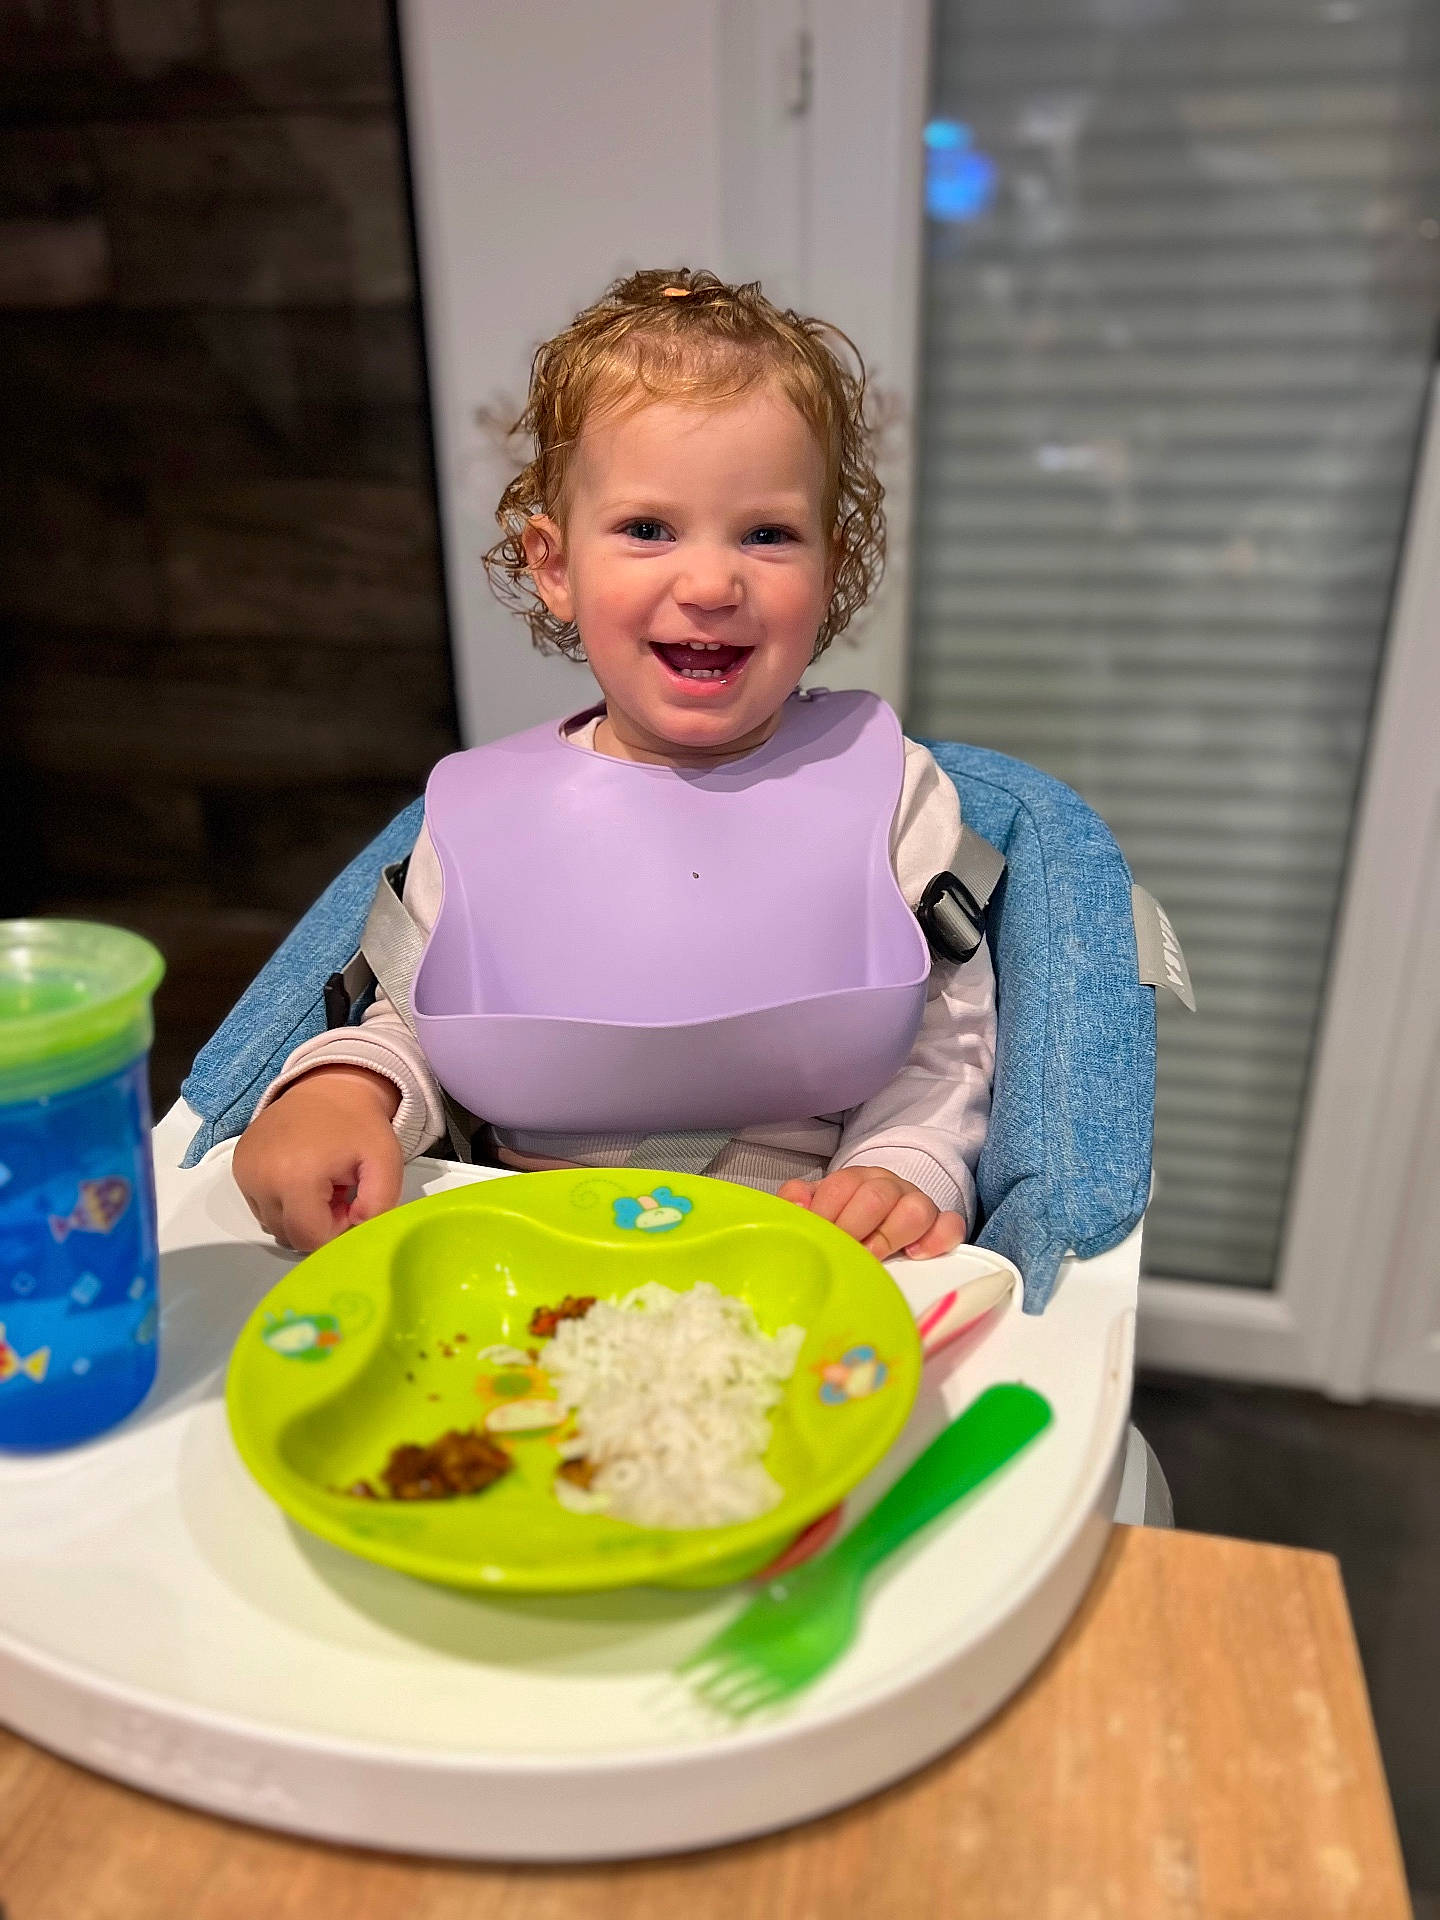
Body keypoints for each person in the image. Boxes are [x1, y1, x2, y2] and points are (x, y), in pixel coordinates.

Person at [232, 269, 996, 1264]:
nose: (713, 581)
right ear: (554, 565)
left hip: (793, 1244)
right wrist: (342, 1090)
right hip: (524, 1256)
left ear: (832, 562)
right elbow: (418, 1025)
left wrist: (901, 1170)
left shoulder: (893, 791)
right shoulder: (485, 815)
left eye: (769, 533)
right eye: (648, 529)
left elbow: (944, 1040)